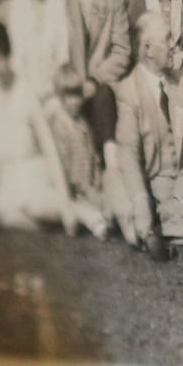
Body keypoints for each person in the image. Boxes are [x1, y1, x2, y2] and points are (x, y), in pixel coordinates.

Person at [114, 9, 183, 258]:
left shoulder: (182, 82)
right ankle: (143, 223)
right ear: (148, 48)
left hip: (177, 191)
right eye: (168, 39)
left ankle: (145, 232)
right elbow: (128, 153)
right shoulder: (128, 90)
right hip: (147, 191)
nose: (174, 45)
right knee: (117, 184)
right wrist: (140, 200)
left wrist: (179, 198)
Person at [0, 21, 75, 232]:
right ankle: (47, 224)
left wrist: (64, 199)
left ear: (8, 55)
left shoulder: (26, 89)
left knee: (33, 204)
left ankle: (82, 213)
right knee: (8, 215)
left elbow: (48, 146)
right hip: (6, 174)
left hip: (32, 167)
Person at [57, 0, 131, 157]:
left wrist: (95, 78)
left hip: (104, 82)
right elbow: (60, 48)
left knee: (101, 100)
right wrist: (74, 81)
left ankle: (111, 165)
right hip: (74, 82)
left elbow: (122, 50)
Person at [42, 64, 116, 239]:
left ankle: (105, 217)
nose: (74, 102)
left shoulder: (82, 122)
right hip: (75, 190)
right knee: (92, 210)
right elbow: (64, 166)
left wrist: (97, 181)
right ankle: (96, 222)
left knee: (109, 204)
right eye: (68, 96)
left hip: (90, 185)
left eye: (77, 95)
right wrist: (85, 189)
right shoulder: (60, 126)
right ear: (60, 97)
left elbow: (93, 156)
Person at [4, 0, 71, 102]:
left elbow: (63, 49)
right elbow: (16, 53)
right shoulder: (16, 6)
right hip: (27, 83)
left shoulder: (56, 2)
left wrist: (53, 81)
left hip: (54, 82)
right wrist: (29, 88)